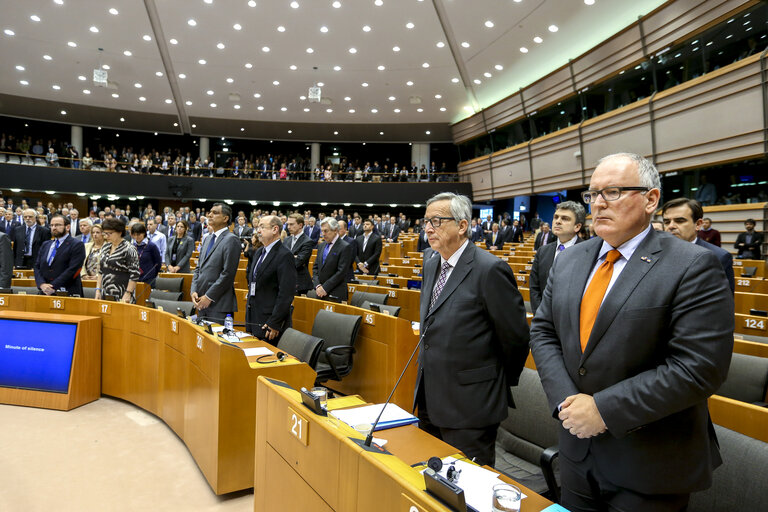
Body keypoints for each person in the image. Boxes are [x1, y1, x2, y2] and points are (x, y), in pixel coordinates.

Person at [530, 153, 733, 511]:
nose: (598, 204)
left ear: (651, 199)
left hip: (649, 461)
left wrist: (603, 410)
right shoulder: (572, 259)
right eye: (593, 195)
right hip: (576, 452)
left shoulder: (694, 265)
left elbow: (699, 368)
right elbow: (544, 331)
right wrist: (565, 401)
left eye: (613, 192)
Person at [414, 192, 530, 466]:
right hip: (430, 395)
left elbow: (516, 338)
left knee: (467, 492)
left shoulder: (490, 269)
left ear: (462, 226)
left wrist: (491, 383)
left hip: (471, 405)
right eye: (426, 221)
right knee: (431, 486)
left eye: (437, 221)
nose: (428, 228)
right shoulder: (431, 262)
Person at [662, 197, 735, 293]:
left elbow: (721, 303)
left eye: (680, 221)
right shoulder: (655, 253)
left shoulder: (719, 257)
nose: (671, 226)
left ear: (698, 224)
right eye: (667, 222)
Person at [245, 215, 297, 343]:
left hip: (270, 324)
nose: (258, 230)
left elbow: (286, 293)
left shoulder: (285, 255)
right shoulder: (259, 252)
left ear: (275, 229)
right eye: (258, 227)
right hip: (254, 317)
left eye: (262, 227)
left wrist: (275, 322)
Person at [529, 201, 586, 315]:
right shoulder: (543, 251)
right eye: (556, 217)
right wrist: (540, 314)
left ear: (577, 226)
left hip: (574, 320)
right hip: (544, 318)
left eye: (565, 218)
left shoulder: (588, 252)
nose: (558, 221)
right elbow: (535, 287)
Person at [191, 203, 241, 323]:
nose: (210, 215)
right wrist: (193, 291)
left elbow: (228, 274)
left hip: (219, 304)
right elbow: (198, 268)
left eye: (215, 213)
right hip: (201, 301)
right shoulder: (208, 238)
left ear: (225, 218)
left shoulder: (231, 239)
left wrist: (209, 297)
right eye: (210, 212)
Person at [34, 214, 86, 296]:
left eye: (57, 225)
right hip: (45, 291)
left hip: (67, 291)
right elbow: (37, 266)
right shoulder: (46, 244)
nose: (54, 228)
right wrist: (42, 284)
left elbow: (73, 269)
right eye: (51, 225)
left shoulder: (77, 244)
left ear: (67, 227)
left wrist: (53, 286)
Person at [95, 218, 140, 303]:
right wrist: (98, 289)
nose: (106, 236)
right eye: (105, 233)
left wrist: (128, 293)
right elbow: (101, 270)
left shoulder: (129, 249)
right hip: (105, 292)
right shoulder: (105, 247)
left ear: (120, 232)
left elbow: (135, 274)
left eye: (110, 233)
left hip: (122, 292)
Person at [311, 218, 352, 301]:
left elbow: (341, 272)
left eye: (326, 231)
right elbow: (315, 267)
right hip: (319, 292)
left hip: (336, 292)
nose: (323, 234)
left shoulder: (345, 246)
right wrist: (318, 285)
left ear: (335, 230)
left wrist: (325, 288)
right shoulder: (321, 245)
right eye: (322, 231)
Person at [283, 213, 314, 295]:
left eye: (291, 224)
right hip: (285, 280)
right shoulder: (286, 240)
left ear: (300, 225)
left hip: (300, 283)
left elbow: (298, 262)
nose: (288, 227)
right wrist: (293, 257)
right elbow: (279, 258)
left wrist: (287, 257)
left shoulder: (307, 241)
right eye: (288, 224)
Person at [130, 223, 162, 288]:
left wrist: (152, 274)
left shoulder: (151, 246)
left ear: (144, 233)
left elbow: (157, 263)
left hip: (149, 278)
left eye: (138, 234)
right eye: (134, 235)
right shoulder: (132, 246)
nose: (136, 237)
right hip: (135, 277)